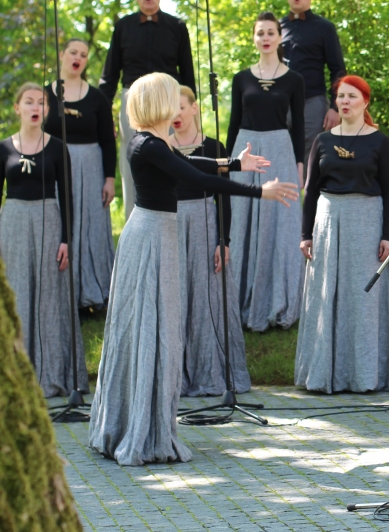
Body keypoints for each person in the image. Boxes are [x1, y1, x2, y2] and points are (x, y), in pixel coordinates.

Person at [88, 72, 298, 466]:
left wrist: (234, 161)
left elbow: (187, 159)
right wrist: (260, 190)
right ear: (158, 103)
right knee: (153, 327)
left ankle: (130, 422)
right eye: (171, 97)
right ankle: (140, 430)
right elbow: (194, 176)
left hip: (154, 233)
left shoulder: (151, 141)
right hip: (152, 236)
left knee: (153, 327)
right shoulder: (148, 144)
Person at [295, 75, 389, 393]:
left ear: (365, 101)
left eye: (351, 96)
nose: (344, 101)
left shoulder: (380, 142)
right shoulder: (322, 141)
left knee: (364, 298)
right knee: (327, 294)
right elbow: (310, 191)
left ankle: (366, 374)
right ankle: (323, 373)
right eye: (340, 96)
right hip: (329, 223)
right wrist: (306, 234)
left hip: (367, 222)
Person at [0, 83, 87, 398]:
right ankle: (17, 374)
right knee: (18, 294)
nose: (35, 107)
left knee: (50, 298)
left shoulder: (57, 147)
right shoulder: (4, 148)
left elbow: (68, 196)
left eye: (40, 103)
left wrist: (66, 239)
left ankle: (52, 374)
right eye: (29, 102)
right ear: (18, 107)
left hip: (49, 220)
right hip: (12, 224)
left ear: (47, 110)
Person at [227, 11, 306, 331]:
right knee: (241, 218)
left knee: (279, 223)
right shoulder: (240, 78)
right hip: (245, 151)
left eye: (270, 32)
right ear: (254, 38)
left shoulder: (294, 79)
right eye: (260, 33)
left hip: (280, 152)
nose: (265, 38)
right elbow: (233, 122)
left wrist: (300, 166)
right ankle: (236, 299)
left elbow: (298, 125)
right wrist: (227, 163)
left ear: (279, 37)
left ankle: (276, 300)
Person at [98, 0, 196, 218]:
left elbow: (187, 74)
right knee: (135, 160)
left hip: (170, 101)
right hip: (134, 101)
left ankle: (175, 217)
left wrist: (192, 113)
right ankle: (135, 218)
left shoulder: (177, 26)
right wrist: (101, 114)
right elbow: (109, 75)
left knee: (175, 157)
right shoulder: (122, 27)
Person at [171, 86, 250, 397]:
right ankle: (176, 374)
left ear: (194, 109)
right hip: (172, 224)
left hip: (205, 222)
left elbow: (224, 195)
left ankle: (210, 371)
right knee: (176, 297)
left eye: (180, 107)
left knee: (208, 299)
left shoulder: (214, 145)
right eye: (170, 109)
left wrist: (223, 239)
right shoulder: (163, 145)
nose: (175, 115)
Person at [44, 39, 116, 313]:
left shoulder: (97, 97)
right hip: (53, 164)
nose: (78, 58)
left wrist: (109, 178)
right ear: (62, 55)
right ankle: (60, 292)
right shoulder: (44, 94)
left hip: (91, 166)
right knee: (57, 222)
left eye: (83, 55)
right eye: (73, 52)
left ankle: (93, 293)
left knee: (91, 225)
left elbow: (108, 142)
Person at [280, 0, 347, 163]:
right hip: (281, 104)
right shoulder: (276, 27)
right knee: (280, 157)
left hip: (312, 103)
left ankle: (308, 194)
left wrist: (335, 107)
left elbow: (338, 70)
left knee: (311, 160)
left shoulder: (324, 27)